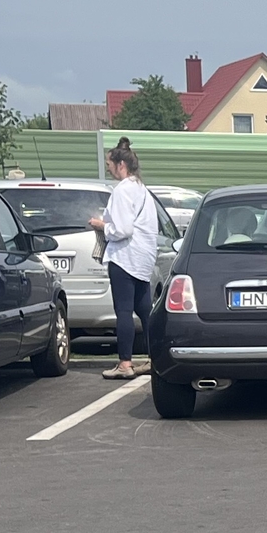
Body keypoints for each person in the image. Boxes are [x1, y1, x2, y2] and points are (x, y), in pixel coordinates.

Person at [91, 138, 159, 379]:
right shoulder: (142, 189)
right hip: (143, 258)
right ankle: (155, 357)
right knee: (144, 310)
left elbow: (123, 229)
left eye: (109, 163)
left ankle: (125, 363)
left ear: (121, 164)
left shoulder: (122, 191)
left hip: (125, 258)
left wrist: (101, 225)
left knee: (123, 311)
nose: (108, 168)